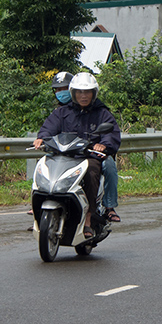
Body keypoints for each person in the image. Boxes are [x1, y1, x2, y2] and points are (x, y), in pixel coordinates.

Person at [33, 72, 121, 239]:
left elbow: (111, 133)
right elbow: (49, 128)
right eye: (79, 92)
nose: (83, 95)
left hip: (89, 157)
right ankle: (40, 211)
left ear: (94, 93)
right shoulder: (62, 112)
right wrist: (41, 138)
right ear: (73, 93)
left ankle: (88, 217)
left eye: (87, 92)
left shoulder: (102, 113)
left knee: (92, 171)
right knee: (44, 165)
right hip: (66, 156)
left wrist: (103, 145)